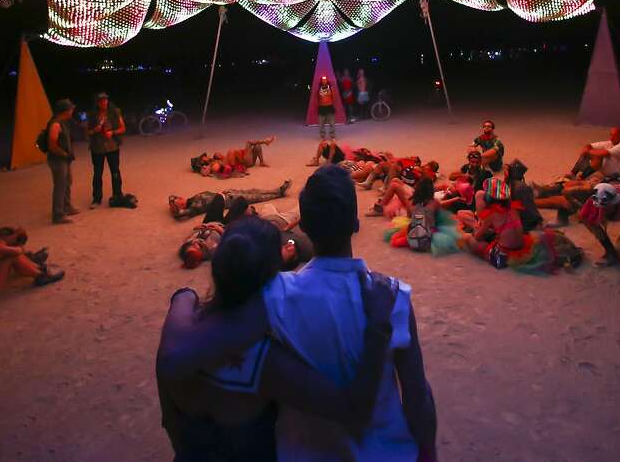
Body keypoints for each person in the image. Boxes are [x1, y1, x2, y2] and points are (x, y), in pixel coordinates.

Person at [157, 165, 438, 462]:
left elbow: (194, 349)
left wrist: (184, 298)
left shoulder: (275, 295)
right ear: (355, 223)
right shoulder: (391, 296)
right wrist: (429, 453)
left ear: (303, 227)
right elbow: (417, 394)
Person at [386, 178, 460, 255]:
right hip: (428, 236)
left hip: (412, 236)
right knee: (447, 224)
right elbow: (438, 217)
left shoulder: (411, 202)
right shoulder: (434, 202)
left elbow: (409, 217)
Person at [168, 181, 292, 221]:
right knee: (256, 198)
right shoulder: (193, 208)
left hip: (227, 193)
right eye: (179, 201)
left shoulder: (192, 199)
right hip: (229, 201)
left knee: (255, 191)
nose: (180, 199)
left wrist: (173, 201)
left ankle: (276, 189)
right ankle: (280, 193)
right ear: (181, 206)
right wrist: (174, 207)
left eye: (179, 198)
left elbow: (171, 196)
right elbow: (179, 214)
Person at [86, 92, 128, 208]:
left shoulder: (114, 112)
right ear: (97, 103)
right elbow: (87, 132)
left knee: (115, 171)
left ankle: (117, 195)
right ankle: (96, 198)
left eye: (105, 100)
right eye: (101, 101)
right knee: (98, 173)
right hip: (97, 148)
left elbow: (123, 128)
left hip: (112, 146)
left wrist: (112, 132)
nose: (104, 102)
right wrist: (95, 130)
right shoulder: (92, 115)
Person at [46, 98, 78, 224]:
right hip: (58, 160)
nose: (72, 111)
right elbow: (52, 145)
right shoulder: (56, 124)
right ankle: (58, 215)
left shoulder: (64, 122)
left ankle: (66, 206)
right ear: (65, 110)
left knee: (67, 182)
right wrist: (64, 154)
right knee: (60, 186)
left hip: (65, 159)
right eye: (71, 109)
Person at [194, 137, 276, 177]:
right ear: (203, 161)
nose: (206, 156)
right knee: (247, 143)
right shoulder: (212, 164)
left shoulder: (218, 159)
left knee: (257, 146)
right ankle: (265, 141)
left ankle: (262, 161)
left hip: (246, 159)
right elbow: (219, 171)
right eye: (204, 157)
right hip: (245, 162)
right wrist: (236, 172)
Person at [316, 76, 337, 144]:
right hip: (321, 108)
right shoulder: (319, 89)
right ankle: (322, 137)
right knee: (321, 124)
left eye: (325, 80)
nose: (324, 81)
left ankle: (333, 137)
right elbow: (317, 98)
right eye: (323, 80)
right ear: (321, 81)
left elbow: (334, 97)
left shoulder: (330, 88)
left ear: (327, 81)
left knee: (332, 123)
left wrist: (332, 105)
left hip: (329, 107)